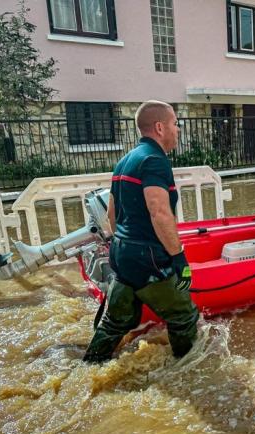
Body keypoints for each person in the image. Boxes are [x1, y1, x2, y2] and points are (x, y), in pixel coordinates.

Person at [83, 100, 199, 363]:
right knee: (183, 316)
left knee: (116, 322)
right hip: (149, 257)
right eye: (175, 124)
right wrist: (178, 258)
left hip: (122, 254)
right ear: (160, 127)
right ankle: (189, 374)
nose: (177, 130)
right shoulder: (155, 161)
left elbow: (113, 214)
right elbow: (159, 211)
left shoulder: (124, 161)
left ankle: (90, 365)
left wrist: (122, 245)